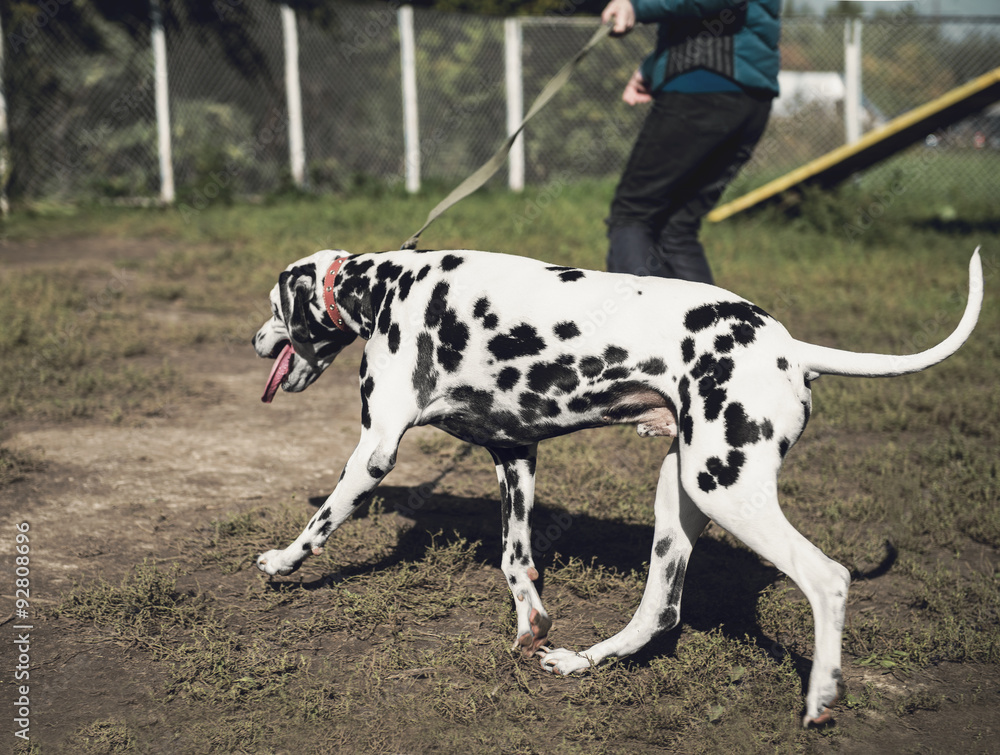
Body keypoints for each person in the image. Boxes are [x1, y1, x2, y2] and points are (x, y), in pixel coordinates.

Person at [601, 0, 781, 285]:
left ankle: (644, 324)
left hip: (702, 87)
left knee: (632, 214)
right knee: (677, 227)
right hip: (749, 98)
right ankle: (708, 328)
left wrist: (636, 7)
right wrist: (652, 68)